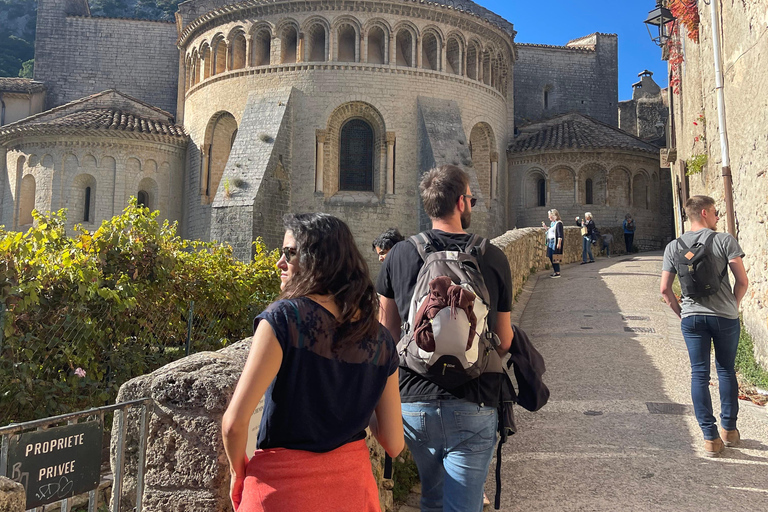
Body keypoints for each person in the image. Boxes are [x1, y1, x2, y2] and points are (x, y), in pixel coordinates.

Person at [222, 213, 404, 512]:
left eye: (289, 253)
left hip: (282, 491)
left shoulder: (284, 319)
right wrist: (359, 394)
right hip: (352, 492)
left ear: (317, 260)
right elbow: (394, 443)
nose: (280, 263)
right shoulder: (381, 340)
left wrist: (236, 473)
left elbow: (233, 424)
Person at [376, 165, 514, 512]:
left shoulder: (399, 255)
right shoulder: (492, 256)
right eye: (471, 198)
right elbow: (506, 339)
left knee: (432, 500)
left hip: (413, 403)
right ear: (460, 202)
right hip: (475, 400)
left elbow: (388, 335)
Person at [660, 196, 749, 457]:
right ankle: (729, 431)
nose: (718, 217)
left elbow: (665, 290)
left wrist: (681, 314)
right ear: (704, 213)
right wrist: (733, 304)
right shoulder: (724, 240)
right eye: (715, 212)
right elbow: (742, 280)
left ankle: (710, 438)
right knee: (726, 370)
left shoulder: (673, 247)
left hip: (692, 319)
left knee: (699, 374)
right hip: (725, 317)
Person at [542, 209, 564, 278]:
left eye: (549, 216)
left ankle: (557, 272)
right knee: (551, 256)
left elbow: (560, 234)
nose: (549, 217)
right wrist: (546, 228)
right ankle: (555, 271)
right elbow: (551, 231)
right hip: (550, 242)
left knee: (555, 257)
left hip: (554, 242)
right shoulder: (552, 224)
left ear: (553, 215)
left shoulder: (559, 223)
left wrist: (559, 243)